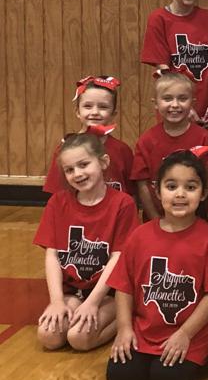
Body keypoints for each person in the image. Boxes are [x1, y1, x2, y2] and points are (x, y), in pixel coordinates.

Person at [106, 151, 208, 380]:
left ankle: (200, 358)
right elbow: (124, 287)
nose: (180, 194)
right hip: (144, 332)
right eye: (171, 186)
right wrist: (124, 329)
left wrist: (185, 334)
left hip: (189, 335)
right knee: (121, 379)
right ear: (157, 190)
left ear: (203, 193)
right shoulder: (140, 236)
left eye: (190, 187)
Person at [35, 132, 138, 351]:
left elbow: (118, 259)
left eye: (84, 165)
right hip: (74, 290)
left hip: (109, 293)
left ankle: (129, 319)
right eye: (69, 170)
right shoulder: (57, 203)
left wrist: (92, 303)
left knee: (79, 338)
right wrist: (57, 301)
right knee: (49, 337)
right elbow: (52, 255)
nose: (77, 174)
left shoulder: (123, 204)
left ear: (103, 162)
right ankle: (76, 308)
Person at [130, 72, 208, 220]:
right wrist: (155, 220)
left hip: (196, 220)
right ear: (155, 103)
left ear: (192, 103)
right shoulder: (146, 141)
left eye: (182, 98)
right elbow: (142, 185)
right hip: (157, 219)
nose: (175, 105)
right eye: (167, 98)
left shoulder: (203, 137)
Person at [42, 76, 134, 197]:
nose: (95, 112)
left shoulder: (123, 150)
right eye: (88, 106)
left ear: (113, 114)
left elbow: (132, 194)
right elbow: (56, 195)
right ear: (77, 112)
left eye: (103, 107)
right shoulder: (64, 149)